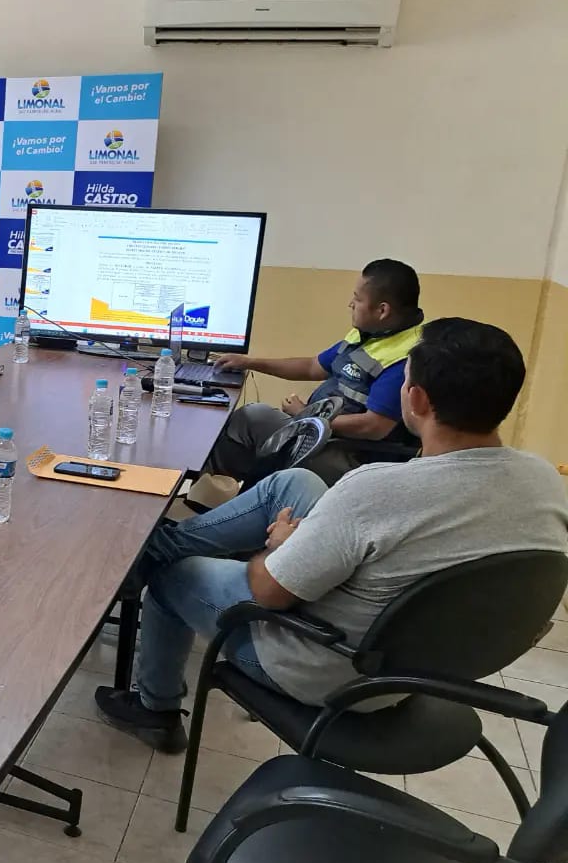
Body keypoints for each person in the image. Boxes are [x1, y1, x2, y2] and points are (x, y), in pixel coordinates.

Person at [96, 317, 568, 752]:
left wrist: (283, 548)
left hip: (332, 667)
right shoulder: (543, 480)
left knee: (172, 574)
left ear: (418, 400)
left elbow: (269, 591)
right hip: (426, 660)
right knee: (293, 483)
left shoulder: (377, 489)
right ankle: (154, 547)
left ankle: (154, 707)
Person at [207, 259, 426, 485]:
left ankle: (219, 493)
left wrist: (307, 415)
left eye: (358, 299)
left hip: (350, 456)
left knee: (257, 430)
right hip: (318, 432)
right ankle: (216, 491)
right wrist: (250, 362)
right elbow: (313, 366)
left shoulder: (403, 359)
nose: (350, 304)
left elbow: (374, 426)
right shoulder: (370, 335)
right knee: (249, 419)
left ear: (382, 310)